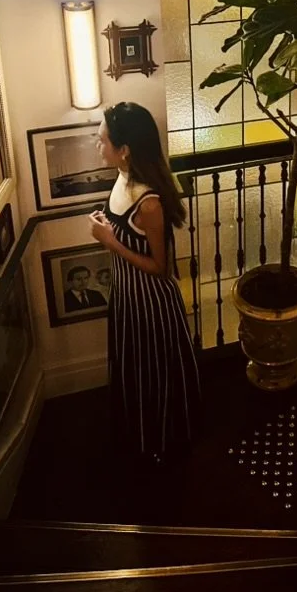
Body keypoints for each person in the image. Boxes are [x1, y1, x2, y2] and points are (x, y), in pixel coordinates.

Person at [89, 102, 200, 462]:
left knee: (153, 375)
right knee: (134, 372)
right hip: (127, 296)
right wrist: (108, 228)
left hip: (150, 305)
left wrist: (111, 242)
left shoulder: (149, 202)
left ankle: (160, 445)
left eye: (103, 139)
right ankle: (139, 438)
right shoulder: (123, 177)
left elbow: (161, 268)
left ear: (124, 150)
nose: (98, 144)